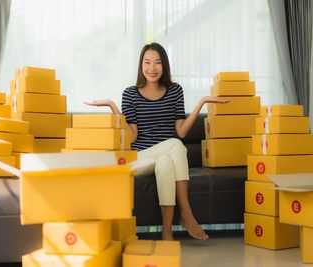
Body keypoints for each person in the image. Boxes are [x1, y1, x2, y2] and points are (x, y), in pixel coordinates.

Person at [85, 42, 228, 240]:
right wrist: (113, 107)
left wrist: (201, 102)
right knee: (176, 145)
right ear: (141, 65)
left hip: (165, 156)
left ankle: (167, 232)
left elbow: (182, 131)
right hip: (140, 158)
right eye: (147, 62)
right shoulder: (130, 94)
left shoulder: (175, 91)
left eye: (157, 63)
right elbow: (132, 136)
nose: (152, 68)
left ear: (164, 65)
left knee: (167, 163)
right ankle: (186, 214)